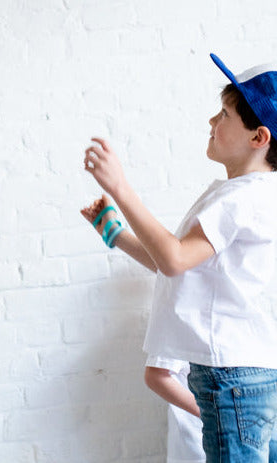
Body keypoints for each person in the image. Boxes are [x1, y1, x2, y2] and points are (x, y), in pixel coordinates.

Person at [81, 53, 277, 463]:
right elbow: (174, 262)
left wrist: (121, 187)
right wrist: (116, 233)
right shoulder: (243, 195)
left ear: (259, 138)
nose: (212, 122)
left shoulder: (241, 200)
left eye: (224, 114)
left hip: (231, 377)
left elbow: (172, 258)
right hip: (240, 375)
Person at [82, 196, 205, 463]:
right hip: (201, 444)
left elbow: (174, 268)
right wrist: (216, 413)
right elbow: (157, 377)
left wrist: (116, 234)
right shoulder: (189, 309)